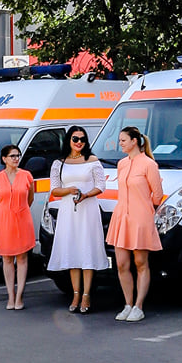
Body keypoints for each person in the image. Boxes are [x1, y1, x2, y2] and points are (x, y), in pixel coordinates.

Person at [47, 126, 106, 315]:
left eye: (82, 139)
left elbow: (101, 185)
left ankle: (86, 294)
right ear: (69, 140)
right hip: (68, 211)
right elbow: (55, 189)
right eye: (75, 138)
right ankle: (75, 294)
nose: (79, 142)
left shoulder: (93, 161)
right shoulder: (59, 163)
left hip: (88, 210)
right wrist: (69, 190)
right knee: (72, 251)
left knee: (87, 249)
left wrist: (86, 195)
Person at [108, 127, 165, 322]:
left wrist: (146, 209)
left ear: (134, 141)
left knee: (141, 262)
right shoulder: (122, 164)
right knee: (121, 263)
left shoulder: (149, 164)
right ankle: (127, 304)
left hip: (140, 218)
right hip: (121, 217)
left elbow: (157, 194)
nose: (120, 144)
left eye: (123, 140)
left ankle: (138, 306)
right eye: (120, 140)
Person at [0, 144, 35, 310]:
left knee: (22, 258)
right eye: (12, 156)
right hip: (4, 220)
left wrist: (20, 208)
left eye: (18, 155)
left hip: (22, 219)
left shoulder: (27, 175)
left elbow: (30, 198)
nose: (16, 159)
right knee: (7, 258)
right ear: (4, 159)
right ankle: (10, 295)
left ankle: (20, 295)